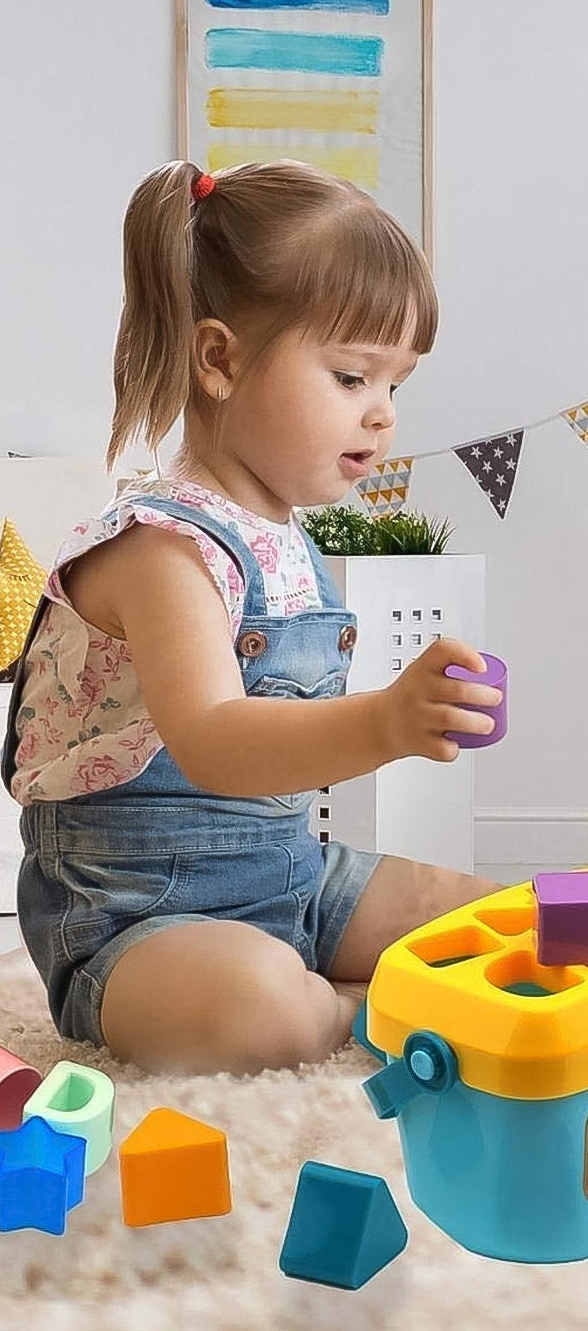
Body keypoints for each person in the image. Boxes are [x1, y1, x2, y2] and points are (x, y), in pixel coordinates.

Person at [1, 159, 503, 1073]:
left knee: (498, 922)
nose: (384, 416)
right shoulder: (162, 547)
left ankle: (349, 984)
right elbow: (216, 740)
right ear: (221, 359)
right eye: (353, 376)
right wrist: (387, 719)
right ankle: (354, 1012)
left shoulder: (283, 540)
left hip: (290, 878)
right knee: (258, 1012)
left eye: (398, 385)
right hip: (140, 918)